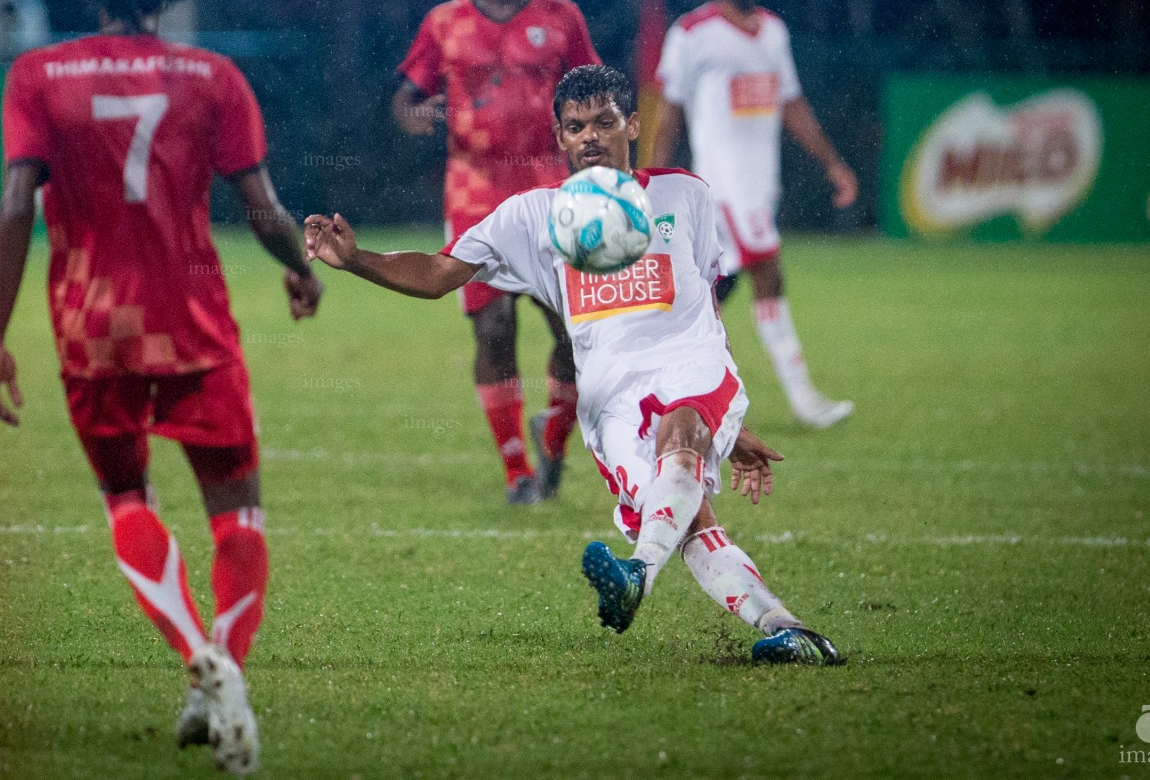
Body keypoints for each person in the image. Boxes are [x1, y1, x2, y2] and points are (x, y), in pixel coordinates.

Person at [306, 65, 840, 665]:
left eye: (605, 122)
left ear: (632, 124)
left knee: (683, 429)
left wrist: (727, 417)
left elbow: (707, 307)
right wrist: (356, 261)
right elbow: (437, 274)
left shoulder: (684, 194)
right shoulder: (532, 217)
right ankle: (792, 631)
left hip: (692, 370)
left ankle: (636, 572)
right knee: (689, 525)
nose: (590, 136)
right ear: (559, 139)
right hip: (611, 404)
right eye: (575, 126)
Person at [0, 0, 322, 776]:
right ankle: (227, 669)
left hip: (91, 331)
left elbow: (16, 205)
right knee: (237, 513)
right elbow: (266, 212)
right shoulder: (212, 77)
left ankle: (196, 665)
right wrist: (302, 266)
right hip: (195, 329)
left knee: (128, 504)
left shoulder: (38, 76)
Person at [391, 0, 601, 505]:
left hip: (550, 188)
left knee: (571, 331)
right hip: (475, 190)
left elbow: (594, 93)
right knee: (493, 326)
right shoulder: (444, 22)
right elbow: (404, 97)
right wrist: (412, 117)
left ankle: (555, 441)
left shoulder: (562, 18)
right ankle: (518, 473)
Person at [650, 0, 858, 429]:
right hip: (721, 188)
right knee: (768, 271)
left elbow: (791, 103)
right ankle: (804, 400)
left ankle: (669, 387)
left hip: (760, 186)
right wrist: (651, 181)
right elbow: (669, 110)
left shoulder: (774, 31)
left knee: (710, 293)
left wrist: (832, 163)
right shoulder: (692, 33)